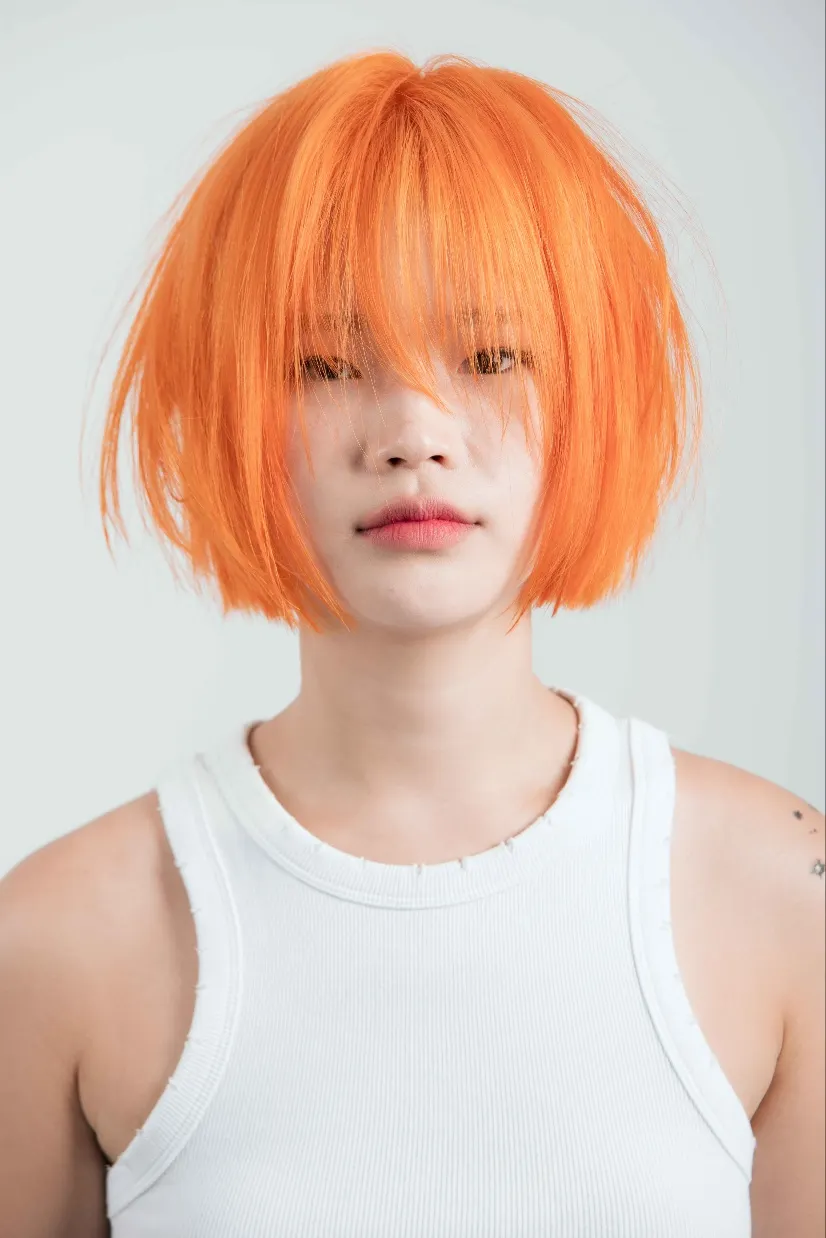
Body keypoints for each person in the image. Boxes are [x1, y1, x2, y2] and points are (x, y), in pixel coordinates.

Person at [1, 49, 823, 1238]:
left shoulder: (786, 896)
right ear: (224, 407)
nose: (413, 433)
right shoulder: (55, 938)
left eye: (491, 356)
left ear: (592, 393)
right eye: (325, 365)